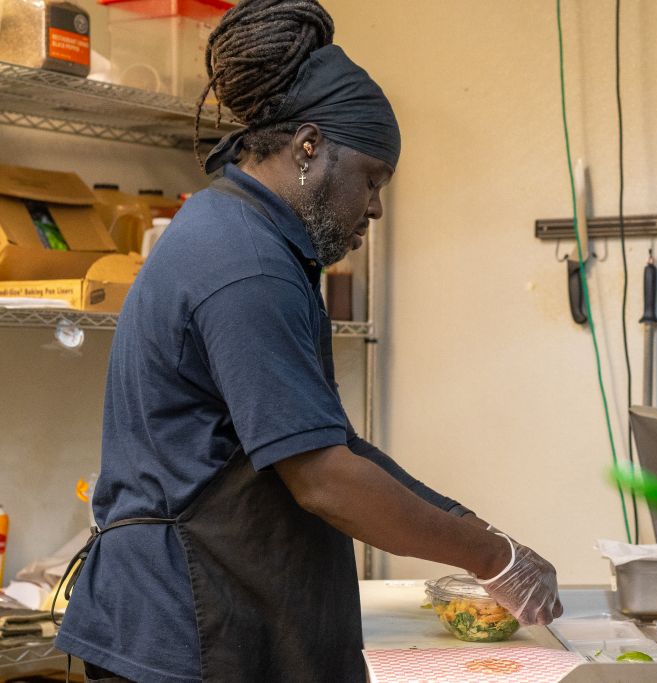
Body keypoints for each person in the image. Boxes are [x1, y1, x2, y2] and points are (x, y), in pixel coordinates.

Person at [54, 1, 562, 681]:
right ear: (309, 147)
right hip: (182, 638)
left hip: (204, 626)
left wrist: (470, 525)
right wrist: (487, 554)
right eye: (373, 178)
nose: (376, 206)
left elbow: (328, 441)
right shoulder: (244, 262)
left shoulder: (244, 237)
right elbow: (325, 480)